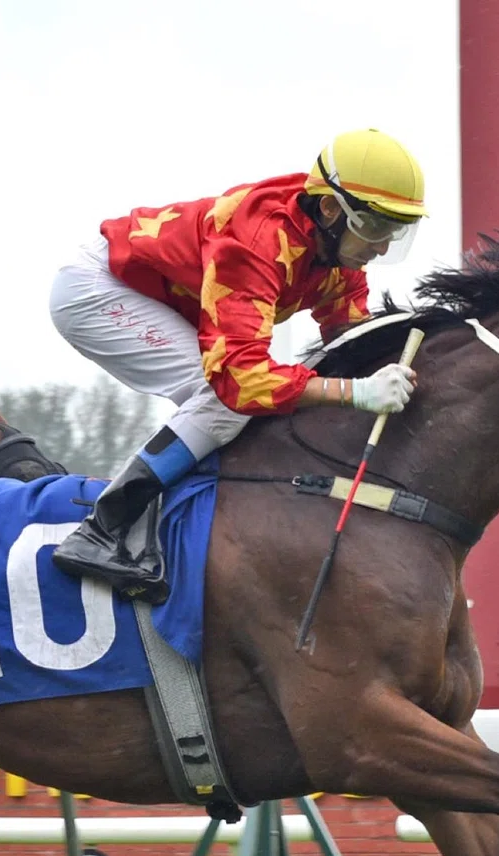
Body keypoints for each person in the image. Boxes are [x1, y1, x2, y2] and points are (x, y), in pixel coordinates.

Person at [47, 129, 428, 603]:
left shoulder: (338, 257)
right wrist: (354, 394)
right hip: (98, 292)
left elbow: (350, 343)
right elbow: (242, 381)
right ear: (329, 209)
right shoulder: (256, 242)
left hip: (154, 297)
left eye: (395, 230)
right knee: (228, 403)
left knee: (246, 402)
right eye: (374, 227)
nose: (383, 247)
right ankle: (103, 528)